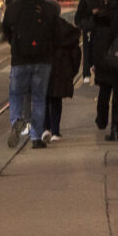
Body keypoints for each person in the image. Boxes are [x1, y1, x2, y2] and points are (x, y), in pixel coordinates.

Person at [3, 0, 60, 149]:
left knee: (15, 94)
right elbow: (57, 33)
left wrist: (14, 44)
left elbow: (5, 29)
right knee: (39, 98)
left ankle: (16, 121)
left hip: (20, 60)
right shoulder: (47, 9)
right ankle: (36, 137)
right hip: (42, 61)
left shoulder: (13, 8)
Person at [93, 0, 118, 141]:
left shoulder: (101, 16)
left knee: (104, 91)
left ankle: (102, 120)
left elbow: (96, 41)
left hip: (105, 59)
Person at [42, 9, 82, 141]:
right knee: (56, 101)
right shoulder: (67, 29)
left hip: (45, 69)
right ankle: (55, 131)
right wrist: (72, 71)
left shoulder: (43, 28)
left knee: (45, 100)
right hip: (61, 70)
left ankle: (45, 128)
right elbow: (76, 53)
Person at [75, 0, 105, 84]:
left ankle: (94, 68)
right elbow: (80, 13)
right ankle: (86, 73)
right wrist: (91, 12)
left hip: (98, 28)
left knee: (96, 50)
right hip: (88, 28)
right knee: (87, 51)